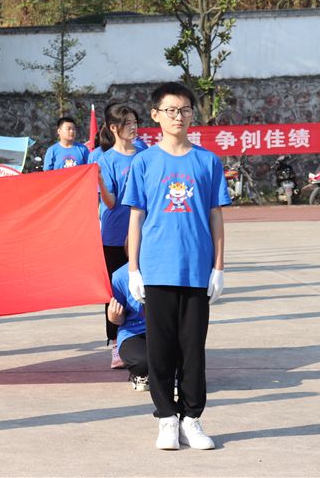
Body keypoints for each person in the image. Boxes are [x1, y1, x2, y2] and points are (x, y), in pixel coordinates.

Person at [122, 82, 229, 451]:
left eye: (184, 109)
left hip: (196, 271)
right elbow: (136, 218)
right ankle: (166, 419)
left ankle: (192, 419)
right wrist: (133, 269)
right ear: (155, 115)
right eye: (170, 110)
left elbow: (215, 217)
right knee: (161, 350)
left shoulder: (208, 161)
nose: (178, 116)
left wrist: (218, 267)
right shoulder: (144, 162)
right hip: (158, 270)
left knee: (193, 349)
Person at [96, 102, 142, 369]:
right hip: (114, 233)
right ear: (114, 128)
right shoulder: (106, 160)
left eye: (135, 121)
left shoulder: (145, 153)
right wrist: (100, 181)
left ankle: (143, 334)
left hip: (144, 230)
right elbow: (111, 202)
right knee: (114, 291)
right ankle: (116, 342)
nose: (133, 127)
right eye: (127, 123)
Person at [106, 262, 148, 392]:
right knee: (142, 363)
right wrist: (115, 317)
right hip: (134, 333)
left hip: (166, 331)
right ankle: (142, 373)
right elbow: (120, 319)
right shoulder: (120, 276)